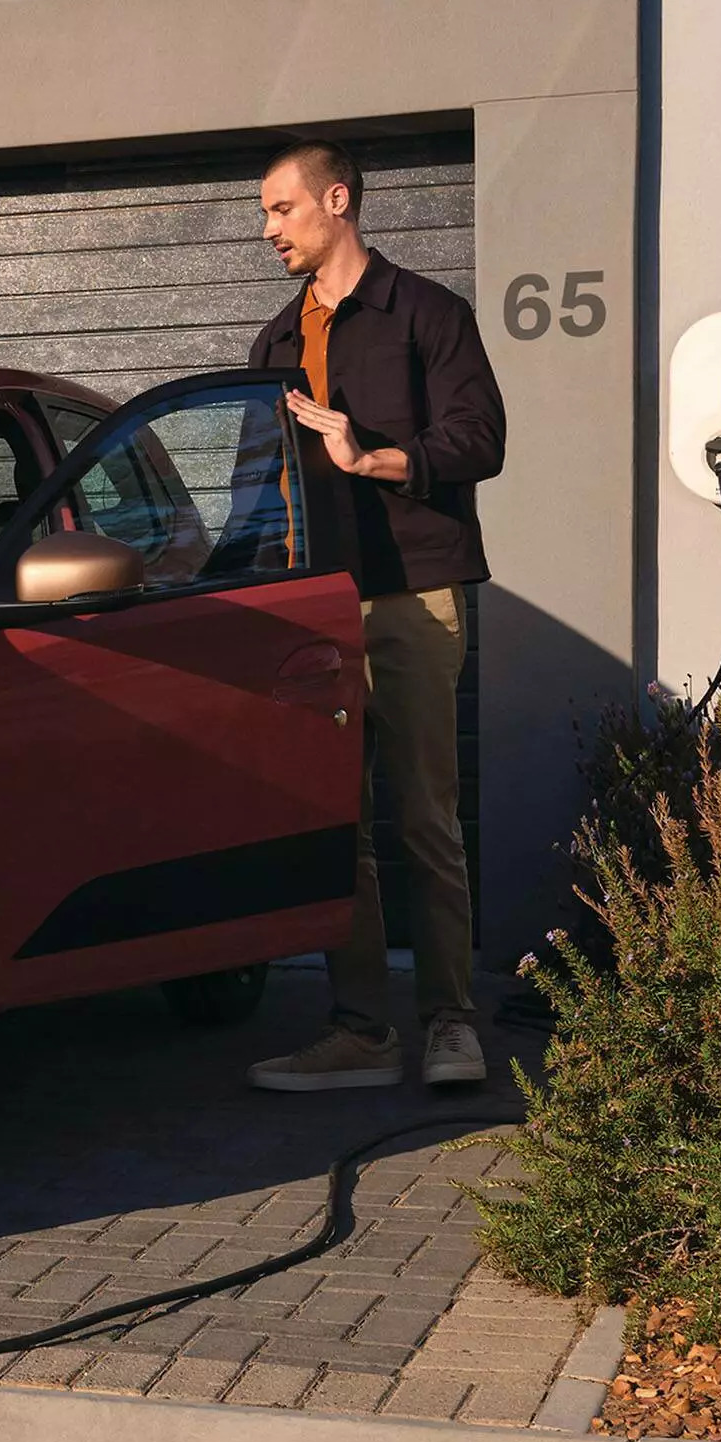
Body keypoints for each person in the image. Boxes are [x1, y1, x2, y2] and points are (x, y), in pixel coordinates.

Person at [241, 140, 505, 1092]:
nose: (267, 228)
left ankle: (449, 1023)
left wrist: (373, 455)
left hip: (412, 596)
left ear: (337, 199)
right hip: (314, 611)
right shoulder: (274, 345)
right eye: (266, 212)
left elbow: (482, 438)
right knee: (335, 822)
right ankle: (360, 1028)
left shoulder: (428, 314)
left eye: (280, 208)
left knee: (426, 814)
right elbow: (252, 490)